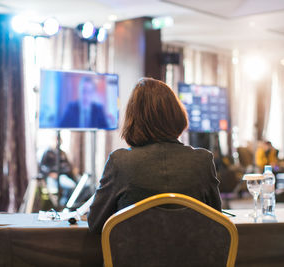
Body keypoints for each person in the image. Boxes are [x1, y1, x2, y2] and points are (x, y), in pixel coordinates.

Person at [87, 78, 222, 233]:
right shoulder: (203, 161)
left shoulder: (119, 162)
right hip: (193, 256)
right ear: (176, 114)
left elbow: (95, 223)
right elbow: (217, 221)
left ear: (133, 118)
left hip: (133, 257)